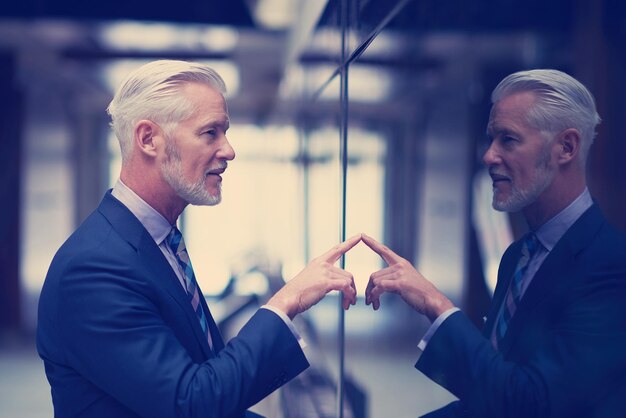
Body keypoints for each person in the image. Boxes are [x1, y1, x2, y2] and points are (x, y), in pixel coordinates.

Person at [37, 60, 360, 418]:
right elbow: (192, 403)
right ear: (148, 139)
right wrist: (286, 303)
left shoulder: (159, 242)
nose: (229, 150)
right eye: (211, 133)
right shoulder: (93, 270)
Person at [362, 69, 626, 417]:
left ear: (566, 147)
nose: (488, 156)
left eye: (508, 140)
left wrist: (435, 305)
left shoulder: (610, 267)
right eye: (491, 139)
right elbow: (490, 397)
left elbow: (530, 404)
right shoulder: (519, 255)